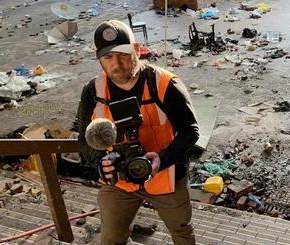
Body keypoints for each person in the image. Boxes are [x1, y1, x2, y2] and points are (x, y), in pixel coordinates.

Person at [78, 20, 199, 245]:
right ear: (100, 59)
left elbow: (190, 131)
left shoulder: (164, 84)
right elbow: (84, 140)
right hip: (119, 182)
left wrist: (161, 160)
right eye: (108, 57)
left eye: (123, 54)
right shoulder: (92, 91)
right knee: (112, 238)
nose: (117, 64)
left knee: (182, 233)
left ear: (136, 50)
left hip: (166, 177)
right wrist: (99, 163)